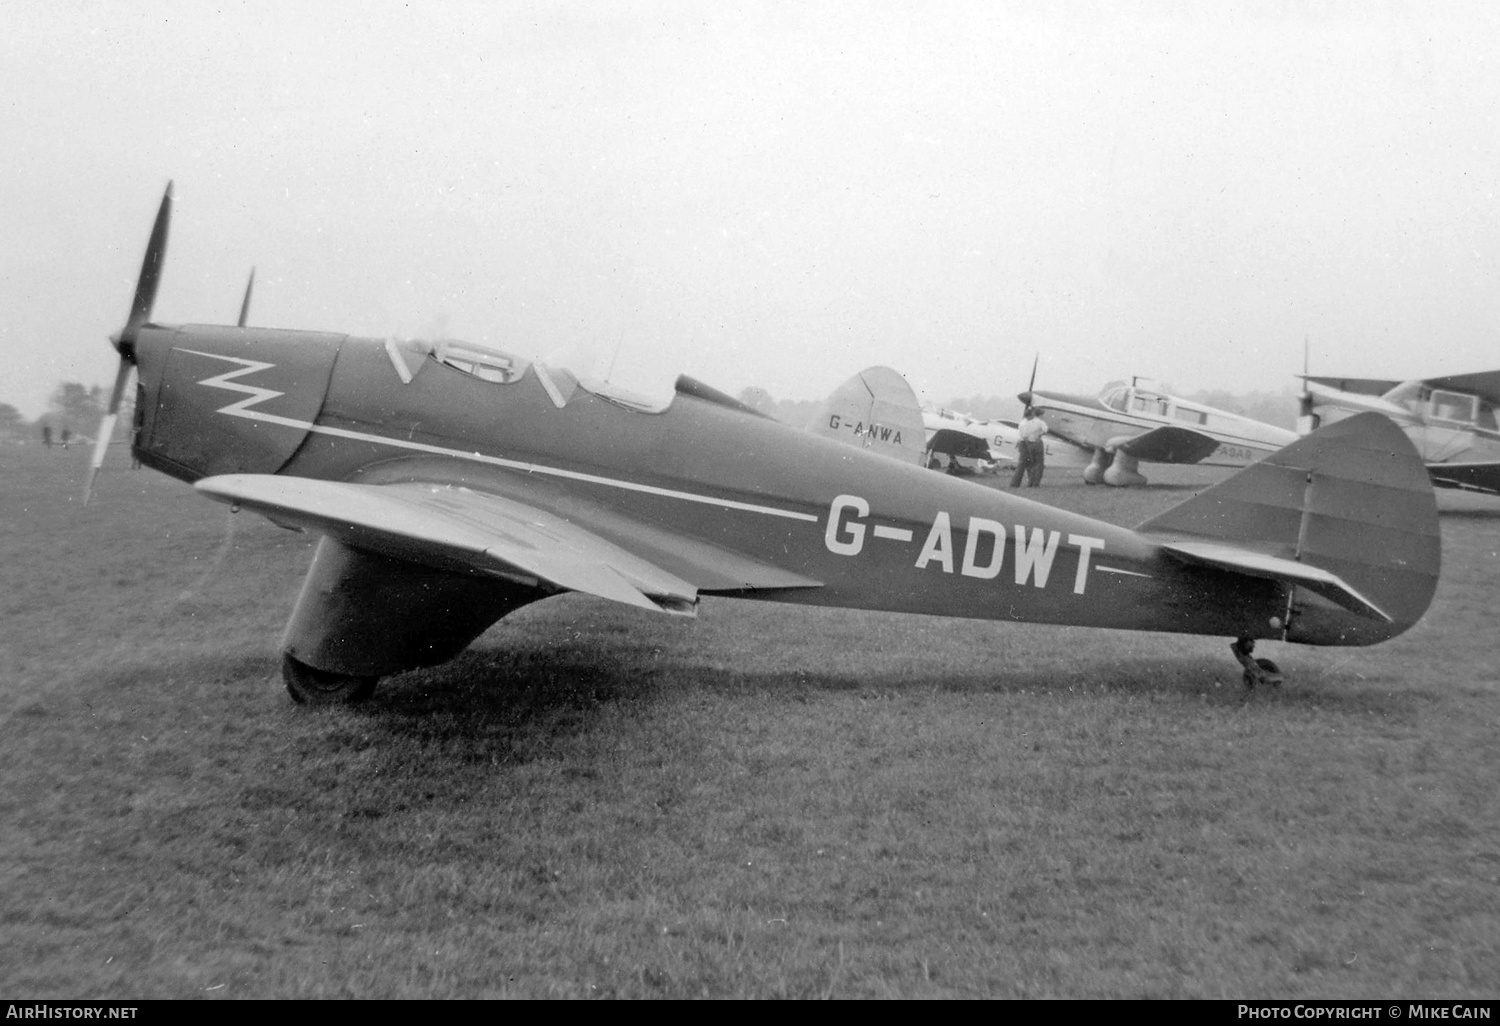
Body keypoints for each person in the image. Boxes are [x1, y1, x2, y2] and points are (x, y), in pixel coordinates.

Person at [1010, 407, 1047, 487]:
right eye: (1032, 414)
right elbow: (1025, 436)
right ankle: (1019, 483)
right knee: (1024, 464)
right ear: (1029, 415)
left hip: (1026, 443)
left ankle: (1028, 482)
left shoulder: (1026, 422)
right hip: (1026, 443)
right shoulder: (1026, 423)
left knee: (1028, 464)